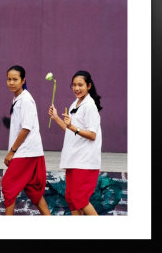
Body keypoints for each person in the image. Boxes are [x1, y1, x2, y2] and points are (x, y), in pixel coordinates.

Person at [48, 70, 102, 215]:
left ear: (89, 86)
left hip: (84, 160)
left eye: (80, 85)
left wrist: (72, 127)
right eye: (74, 85)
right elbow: (70, 130)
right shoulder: (75, 104)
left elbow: (92, 135)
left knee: (79, 199)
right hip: (73, 159)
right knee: (71, 198)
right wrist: (56, 117)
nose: (76, 88)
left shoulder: (90, 106)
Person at [1, 66, 51, 215]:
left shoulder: (26, 100)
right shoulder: (18, 98)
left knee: (8, 185)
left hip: (26, 151)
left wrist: (12, 152)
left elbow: (26, 128)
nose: (11, 82)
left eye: (15, 79)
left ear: (23, 80)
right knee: (32, 189)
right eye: (9, 79)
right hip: (28, 151)